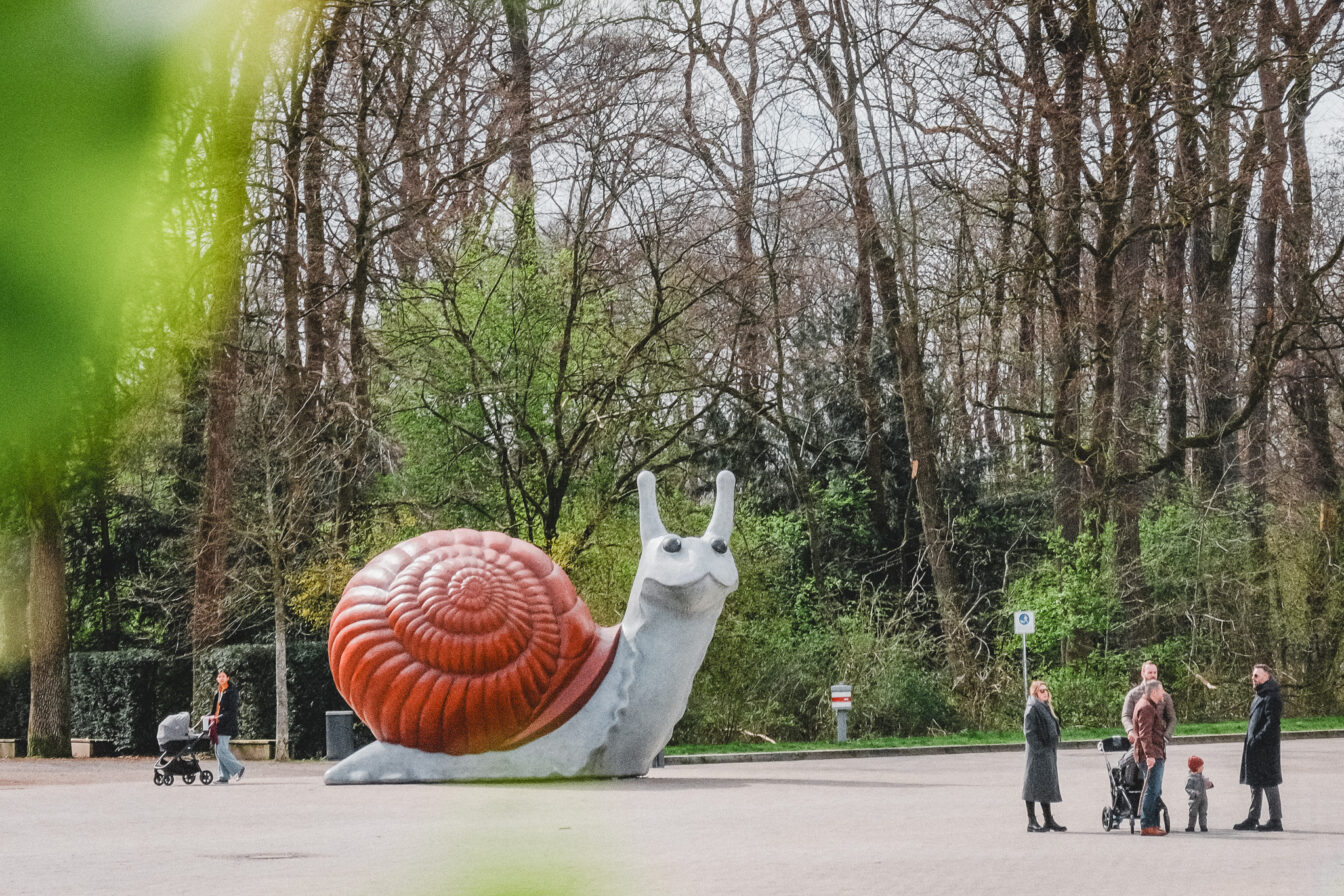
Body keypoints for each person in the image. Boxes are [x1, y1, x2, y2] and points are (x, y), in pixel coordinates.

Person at [1234, 663, 1283, 832]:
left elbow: (1273, 723)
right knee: (1254, 782)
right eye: (1252, 675)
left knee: (1269, 782)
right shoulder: (1260, 695)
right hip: (1255, 746)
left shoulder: (1272, 696)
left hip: (1266, 747)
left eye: (1256, 676)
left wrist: (1257, 738)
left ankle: (1275, 820)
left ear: (1266, 677)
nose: (1252, 679)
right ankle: (1253, 817)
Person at [1022, 680, 1066, 832]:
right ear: (1035, 693)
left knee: (1045, 785)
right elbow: (1029, 732)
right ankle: (1031, 821)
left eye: (1046, 690)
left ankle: (1048, 819)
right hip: (1036, 754)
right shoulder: (1032, 708)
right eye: (1041, 690)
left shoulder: (1045, 707)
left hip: (1047, 752)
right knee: (1032, 786)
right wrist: (1040, 748)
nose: (1045, 692)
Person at [1132, 679, 1168, 836]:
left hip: (1156, 752)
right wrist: (1150, 756)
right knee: (1151, 790)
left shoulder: (1148, 705)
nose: (1163, 694)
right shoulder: (1146, 707)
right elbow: (1144, 735)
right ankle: (1147, 825)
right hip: (1151, 755)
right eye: (1161, 691)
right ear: (1154, 692)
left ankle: (1153, 824)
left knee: (1155, 789)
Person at [1122, 660, 1176, 742]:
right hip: (1139, 738)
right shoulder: (1133, 694)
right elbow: (1126, 716)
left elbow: (1172, 718)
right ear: (1143, 673)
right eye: (1150, 672)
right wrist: (1131, 731)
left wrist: (1166, 736)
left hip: (1158, 740)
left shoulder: (1165, 696)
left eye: (1155, 672)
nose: (1153, 675)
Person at [209, 670, 245, 784]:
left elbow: (232, 710)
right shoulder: (218, 692)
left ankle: (238, 768)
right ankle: (224, 777)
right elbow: (214, 710)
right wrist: (209, 716)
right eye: (219, 676)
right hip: (218, 725)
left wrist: (220, 716)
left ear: (228, 678)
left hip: (227, 725)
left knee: (221, 750)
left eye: (223, 676)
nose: (221, 678)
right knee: (218, 751)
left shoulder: (232, 691)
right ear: (217, 679)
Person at [1185, 755, 1213, 832]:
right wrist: (1193, 792)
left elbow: (1204, 786)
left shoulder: (1202, 777)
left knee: (1203, 813)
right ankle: (1191, 826)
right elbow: (1187, 788)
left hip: (1203, 798)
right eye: (1201, 766)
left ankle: (1203, 826)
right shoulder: (1191, 778)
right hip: (1194, 800)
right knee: (1193, 813)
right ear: (1196, 767)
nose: (1203, 768)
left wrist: (1209, 784)